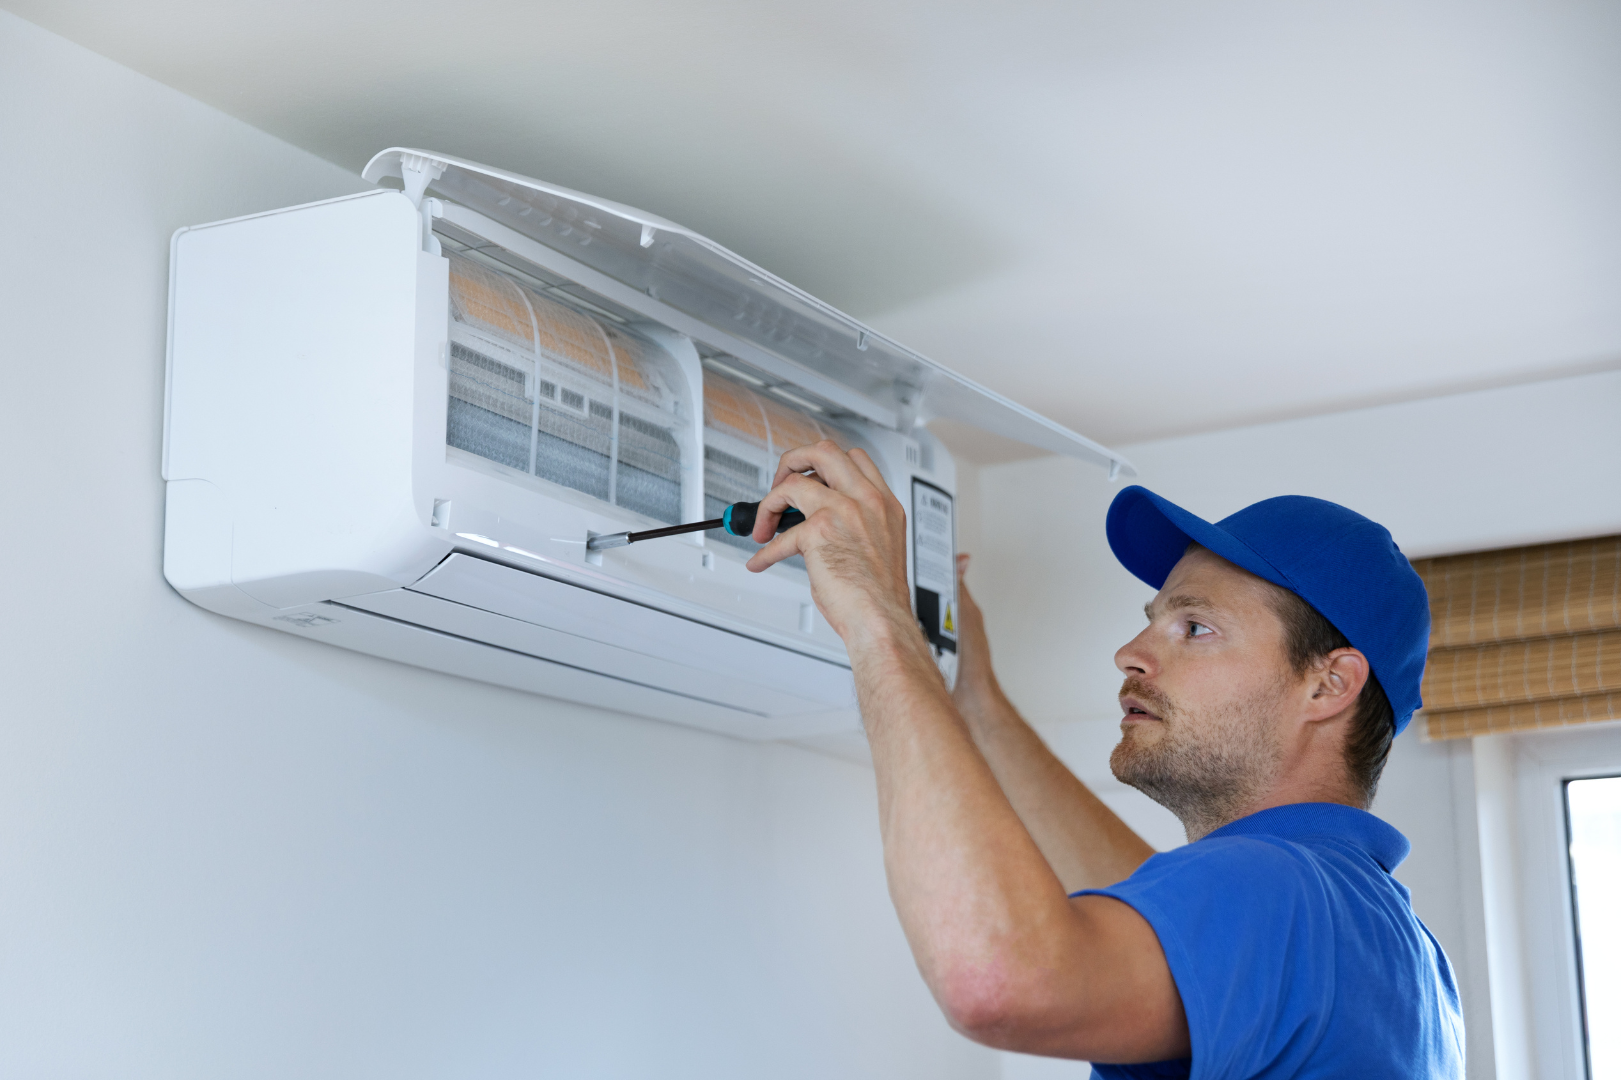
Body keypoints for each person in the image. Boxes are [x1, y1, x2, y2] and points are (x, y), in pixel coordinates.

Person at [743, 441, 1465, 1077]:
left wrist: (878, 617)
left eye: (1195, 627)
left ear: (1329, 684)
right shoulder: (1381, 936)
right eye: (1153, 621)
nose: (1130, 652)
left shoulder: (1279, 891)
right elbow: (1154, 903)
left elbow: (995, 981)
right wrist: (976, 704)